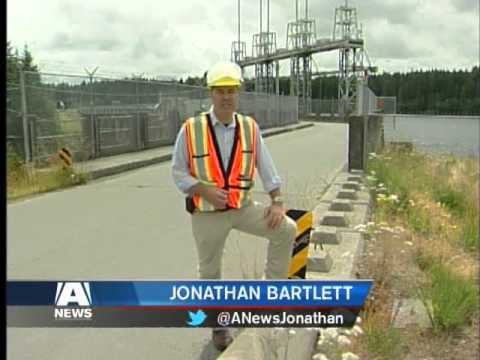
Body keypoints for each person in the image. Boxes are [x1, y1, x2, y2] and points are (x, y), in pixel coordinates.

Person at [171, 61, 297, 352]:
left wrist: (277, 201)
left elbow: (267, 167)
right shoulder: (191, 129)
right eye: (220, 91)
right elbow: (177, 172)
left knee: (286, 230)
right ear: (211, 95)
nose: (226, 97)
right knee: (210, 271)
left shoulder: (249, 127)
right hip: (207, 214)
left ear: (237, 94)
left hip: (242, 208)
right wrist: (203, 189)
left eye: (231, 91)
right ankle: (218, 325)